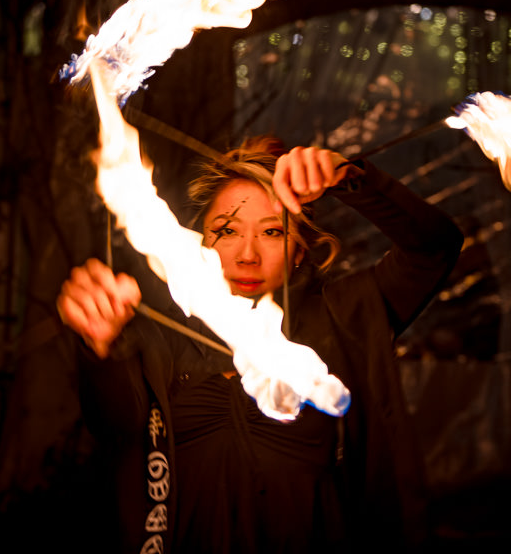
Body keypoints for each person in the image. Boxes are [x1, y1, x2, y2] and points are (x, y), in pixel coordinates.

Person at [57, 136, 463, 553]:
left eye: (272, 232)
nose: (247, 254)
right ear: (200, 243)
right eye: (227, 231)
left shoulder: (347, 317)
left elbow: (435, 249)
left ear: (300, 250)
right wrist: (99, 347)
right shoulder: (158, 340)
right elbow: (114, 426)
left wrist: (350, 177)